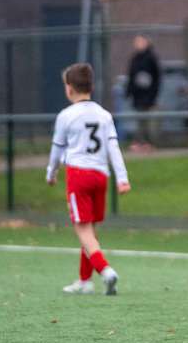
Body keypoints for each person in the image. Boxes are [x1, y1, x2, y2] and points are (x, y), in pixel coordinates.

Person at [46, 63, 131, 295]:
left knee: (82, 229)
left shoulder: (66, 115)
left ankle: (105, 271)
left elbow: (57, 149)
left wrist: (51, 173)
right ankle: (85, 281)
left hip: (78, 174)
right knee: (89, 228)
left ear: (69, 89)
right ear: (92, 87)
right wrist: (121, 178)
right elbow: (113, 148)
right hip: (100, 175)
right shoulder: (104, 115)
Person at [126, 35, 161, 151]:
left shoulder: (151, 58)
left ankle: (150, 142)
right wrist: (129, 91)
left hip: (149, 96)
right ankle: (141, 142)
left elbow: (157, 77)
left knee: (149, 121)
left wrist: (153, 94)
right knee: (140, 120)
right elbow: (131, 76)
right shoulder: (135, 58)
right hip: (138, 96)